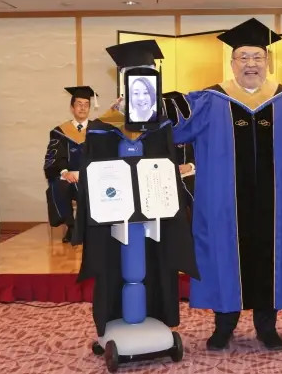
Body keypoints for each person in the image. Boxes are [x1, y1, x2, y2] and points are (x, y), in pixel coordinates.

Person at [162, 18, 282, 351]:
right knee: (224, 256)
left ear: (268, 61)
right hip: (224, 203)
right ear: (232, 62)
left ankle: (267, 326)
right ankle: (224, 325)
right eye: (243, 57)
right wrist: (138, 101)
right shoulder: (210, 100)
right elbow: (171, 119)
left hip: (272, 203)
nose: (251, 64)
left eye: (257, 57)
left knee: (270, 255)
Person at [73, 39, 199, 340]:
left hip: (154, 213)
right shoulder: (103, 126)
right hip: (115, 216)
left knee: (157, 258)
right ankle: (114, 317)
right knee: (114, 262)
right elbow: (93, 173)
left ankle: (156, 314)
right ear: (122, 80)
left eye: (147, 75)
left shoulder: (162, 125)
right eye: (134, 76)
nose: (141, 86)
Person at [44, 85, 96, 243]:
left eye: (86, 104)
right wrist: (65, 172)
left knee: (88, 188)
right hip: (68, 176)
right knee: (59, 187)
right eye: (79, 104)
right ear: (72, 107)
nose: (83, 108)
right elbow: (54, 157)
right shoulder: (60, 132)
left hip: (90, 176)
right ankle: (71, 226)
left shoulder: (97, 130)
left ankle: (87, 228)